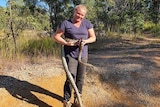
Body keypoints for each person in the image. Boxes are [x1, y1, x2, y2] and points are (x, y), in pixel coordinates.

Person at [53, 4, 96, 107]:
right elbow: (56, 36)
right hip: (70, 55)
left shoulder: (87, 24)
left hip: (83, 55)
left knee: (80, 78)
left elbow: (93, 37)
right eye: (78, 14)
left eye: (82, 15)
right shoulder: (66, 23)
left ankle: (77, 98)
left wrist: (85, 41)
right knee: (70, 78)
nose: (80, 16)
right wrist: (67, 43)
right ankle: (66, 101)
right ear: (74, 12)